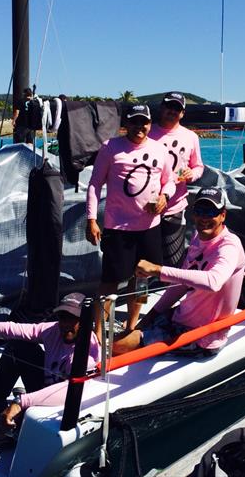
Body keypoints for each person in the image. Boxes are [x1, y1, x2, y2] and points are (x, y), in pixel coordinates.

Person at [113, 187, 245, 356]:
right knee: (125, 330)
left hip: (202, 336)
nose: (204, 218)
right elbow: (179, 286)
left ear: (223, 215)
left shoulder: (229, 245)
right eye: (199, 211)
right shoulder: (198, 238)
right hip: (180, 317)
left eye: (210, 211)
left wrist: (157, 270)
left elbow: (214, 282)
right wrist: (147, 319)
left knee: (118, 346)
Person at [86, 103, 176, 341]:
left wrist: (164, 197)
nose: (140, 127)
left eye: (144, 122)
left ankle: (131, 326)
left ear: (150, 123)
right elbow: (95, 184)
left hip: (149, 228)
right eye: (134, 122)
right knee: (110, 282)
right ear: (126, 125)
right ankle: (97, 332)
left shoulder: (160, 149)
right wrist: (91, 219)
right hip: (118, 229)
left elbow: (170, 181)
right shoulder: (111, 148)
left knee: (142, 279)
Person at [0, 292, 100, 425]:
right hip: (45, 386)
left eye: (72, 318)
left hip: (60, 404)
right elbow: (9, 329)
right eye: (62, 317)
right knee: (18, 345)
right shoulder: (53, 330)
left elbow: (69, 392)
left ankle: (25, 404)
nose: (65, 324)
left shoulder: (88, 355)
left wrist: (21, 402)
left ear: (85, 322)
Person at [148, 92, 204, 267]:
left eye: (177, 108)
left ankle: (168, 291)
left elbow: (199, 166)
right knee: (146, 259)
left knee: (173, 259)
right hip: (146, 207)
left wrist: (192, 174)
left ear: (182, 113)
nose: (172, 111)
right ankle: (141, 292)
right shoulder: (147, 132)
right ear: (161, 108)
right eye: (169, 106)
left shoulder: (191, 137)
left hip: (175, 207)